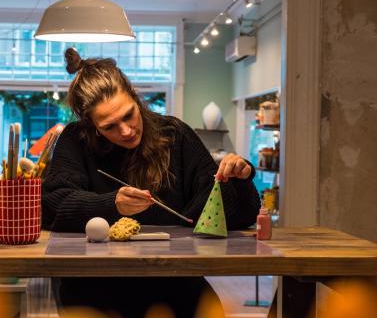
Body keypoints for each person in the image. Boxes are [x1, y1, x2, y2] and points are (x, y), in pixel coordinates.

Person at [41, 48, 261, 318]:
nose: (125, 130)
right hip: (94, 283)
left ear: (135, 97)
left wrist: (239, 179)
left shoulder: (174, 135)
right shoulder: (76, 140)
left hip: (172, 280)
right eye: (109, 126)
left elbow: (236, 215)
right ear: (91, 126)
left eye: (128, 115)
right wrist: (112, 205)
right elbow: (52, 207)